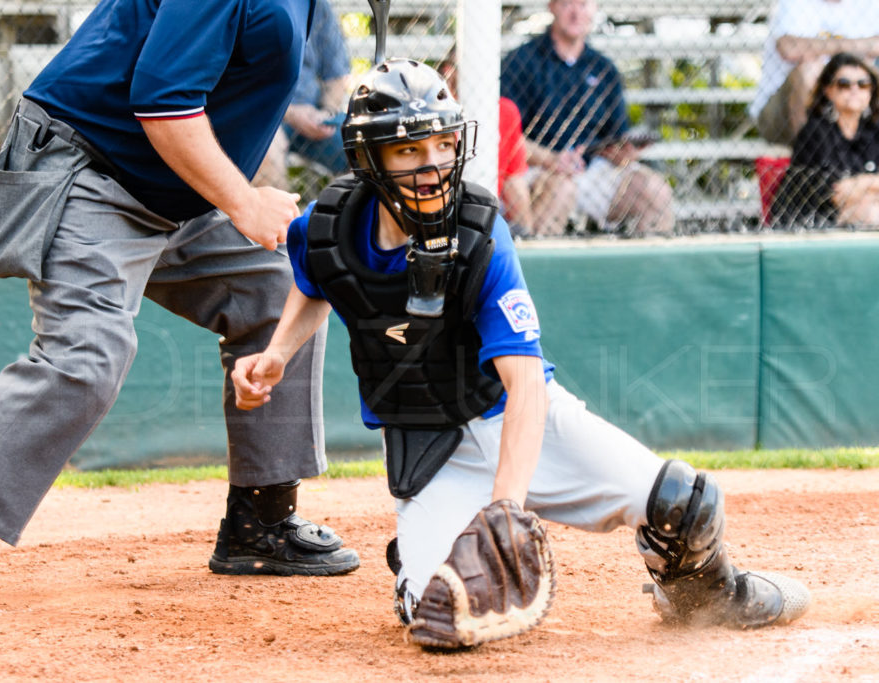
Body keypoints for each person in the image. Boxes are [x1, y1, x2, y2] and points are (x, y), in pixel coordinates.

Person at [231, 58, 810, 648]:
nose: (431, 166)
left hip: (513, 418)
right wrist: (277, 353)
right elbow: (315, 281)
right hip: (427, 446)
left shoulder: (478, 233)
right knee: (437, 615)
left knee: (684, 505)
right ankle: (421, 550)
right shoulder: (328, 226)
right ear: (369, 159)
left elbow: (526, 383)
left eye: (441, 144)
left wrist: (505, 505)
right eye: (408, 152)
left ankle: (706, 596)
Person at [0, 0, 360, 617]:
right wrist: (245, 203)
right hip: (89, 171)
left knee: (281, 291)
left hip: (174, 194)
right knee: (87, 358)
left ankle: (262, 522)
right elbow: (164, 102)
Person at [500, 0, 674, 237]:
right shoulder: (521, 62)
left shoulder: (604, 68)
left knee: (655, 190)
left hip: (592, 171)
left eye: (583, 4)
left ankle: (648, 273)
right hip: (537, 169)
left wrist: (621, 153)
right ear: (552, 6)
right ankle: (540, 270)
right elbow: (505, 135)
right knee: (561, 189)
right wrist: (551, 159)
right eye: (567, 3)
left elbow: (615, 136)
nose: (576, 12)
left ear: (594, 9)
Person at [751, 0, 879, 146]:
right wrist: (858, 46)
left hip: (849, 106)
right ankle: (809, 155)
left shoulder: (870, 4)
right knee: (809, 69)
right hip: (779, 113)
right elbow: (789, 49)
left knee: (863, 74)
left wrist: (820, 47)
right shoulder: (795, 3)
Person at [772, 53, 879, 227]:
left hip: (862, 209)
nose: (855, 90)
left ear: (871, 90)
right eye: (844, 84)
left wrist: (863, 183)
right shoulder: (816, 132)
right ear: (828, 90)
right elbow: (836, 195)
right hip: (811, 220)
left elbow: (851, 190)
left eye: (863, 84)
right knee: (872, 213)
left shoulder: (874, 131)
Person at [254, 0, 351, 190]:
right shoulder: (247, 5)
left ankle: (351, 216)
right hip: (265, 117)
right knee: (264, 153)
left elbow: (337, 77)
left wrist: (327, 112)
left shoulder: (317, 6)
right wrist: (290, 113)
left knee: (366, 145)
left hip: (314, 116)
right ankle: (284, 220)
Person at [437, 59, 535, 237]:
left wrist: (527, 233)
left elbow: (514, 180)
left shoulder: (504, 110)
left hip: (491, 207)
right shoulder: (436, 113)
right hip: (441, 207)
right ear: (449, 71)